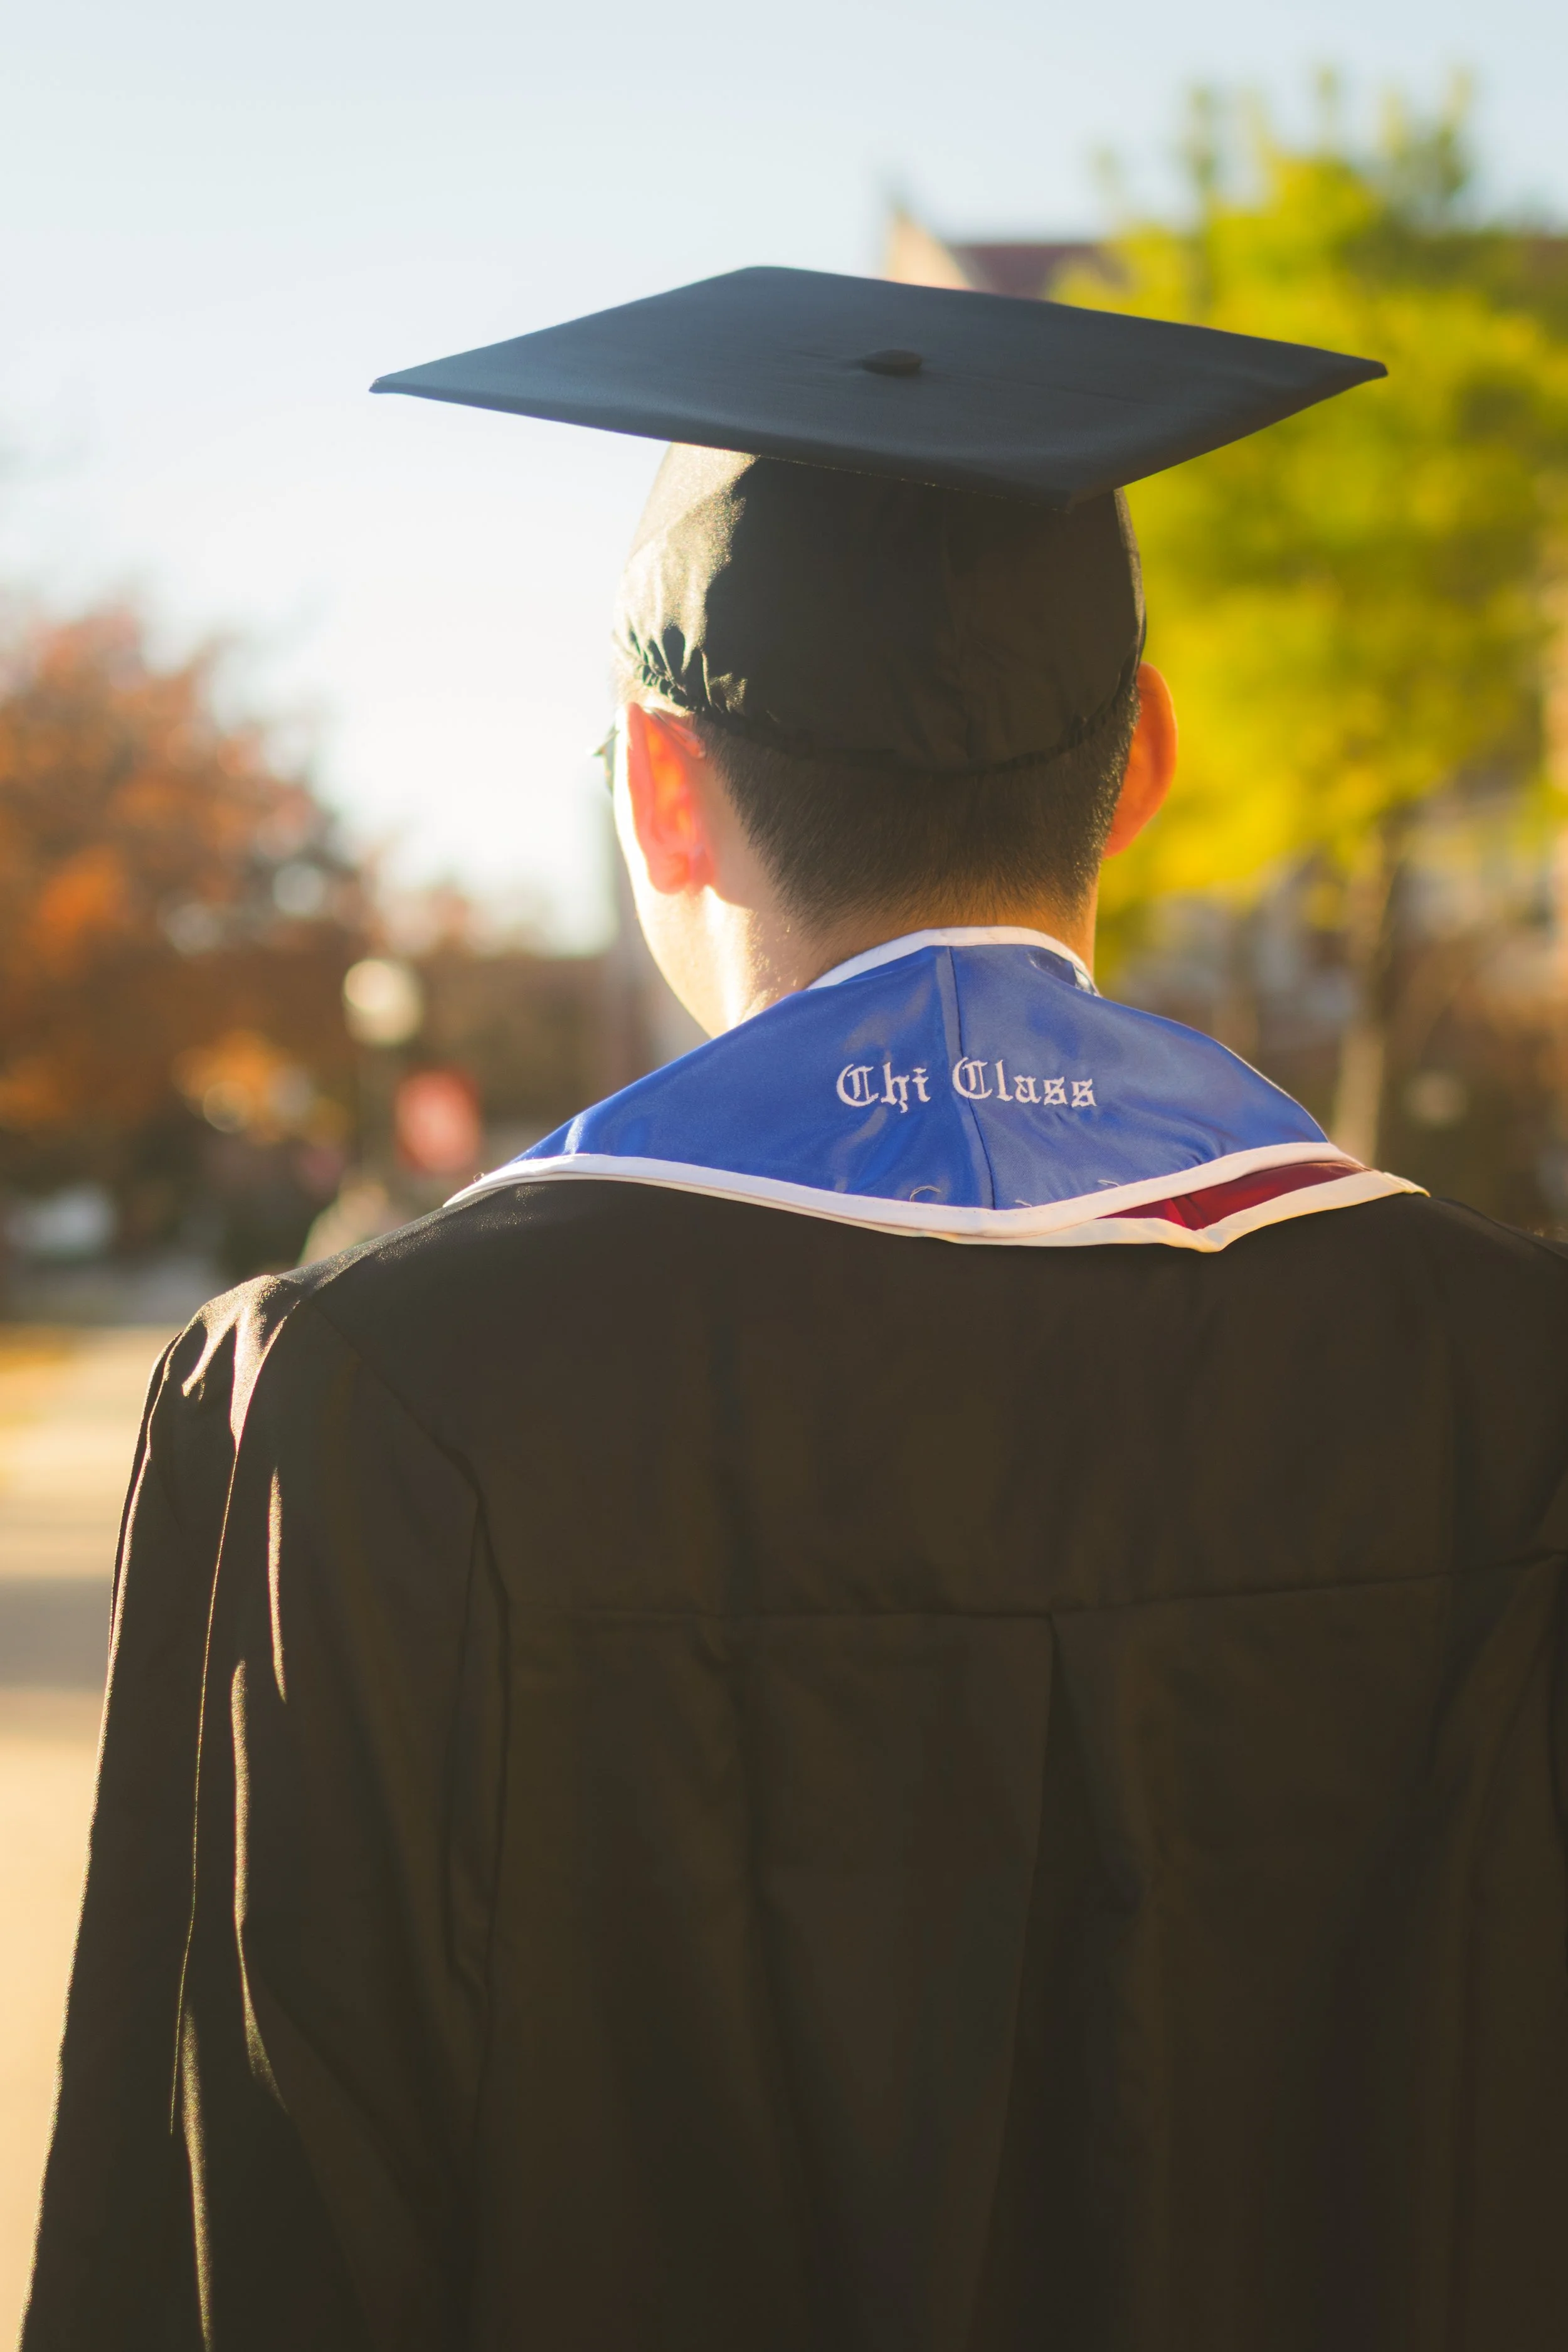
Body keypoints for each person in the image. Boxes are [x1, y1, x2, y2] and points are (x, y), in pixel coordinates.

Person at [25, 270, 1568, 2352]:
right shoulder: (1500, 1385)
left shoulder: (371, 1415)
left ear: (658, 785)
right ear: (1143, 763)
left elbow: (243, 2259)